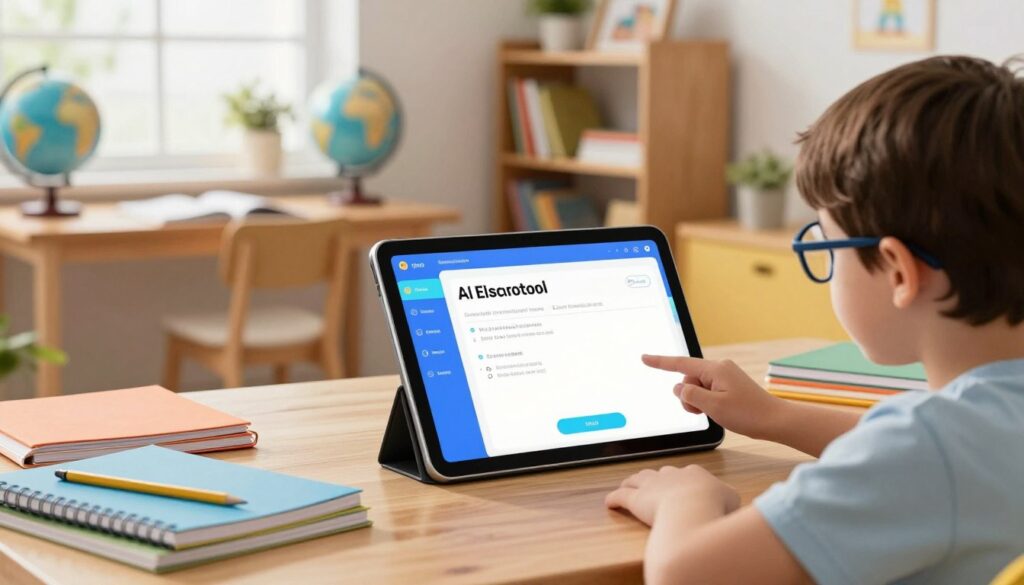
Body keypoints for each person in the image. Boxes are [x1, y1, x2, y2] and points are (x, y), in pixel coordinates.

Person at [605, 55, 1024, 585]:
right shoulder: (965, 435)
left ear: (898, 271)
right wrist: (776, 417)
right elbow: (934, 452)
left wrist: (684, 500)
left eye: (828, 245)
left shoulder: (924, 451)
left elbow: (685, 575)